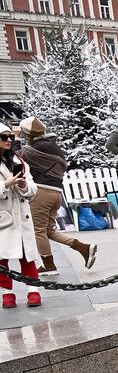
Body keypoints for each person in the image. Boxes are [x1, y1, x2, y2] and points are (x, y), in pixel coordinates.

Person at [18, 117, 96, 274]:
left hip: (42, 192)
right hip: (56, 193)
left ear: (28, 133)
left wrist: (14, 138)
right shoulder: (52, 146)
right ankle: (84, 248)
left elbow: (15, 155)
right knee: (49, 230)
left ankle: (48, 266)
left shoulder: (35, 149)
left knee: (38, 230)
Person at [0, 125, 41, 309]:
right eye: (3, 137)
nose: (9, 140)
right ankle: (7, 294)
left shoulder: (19, 161)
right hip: (4, 217)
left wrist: (23, 185)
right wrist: (6, 185)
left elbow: (33, 188)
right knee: (1, 258)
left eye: (10, 136)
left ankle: (33, 290)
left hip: (22, 215)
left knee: (28, 255)